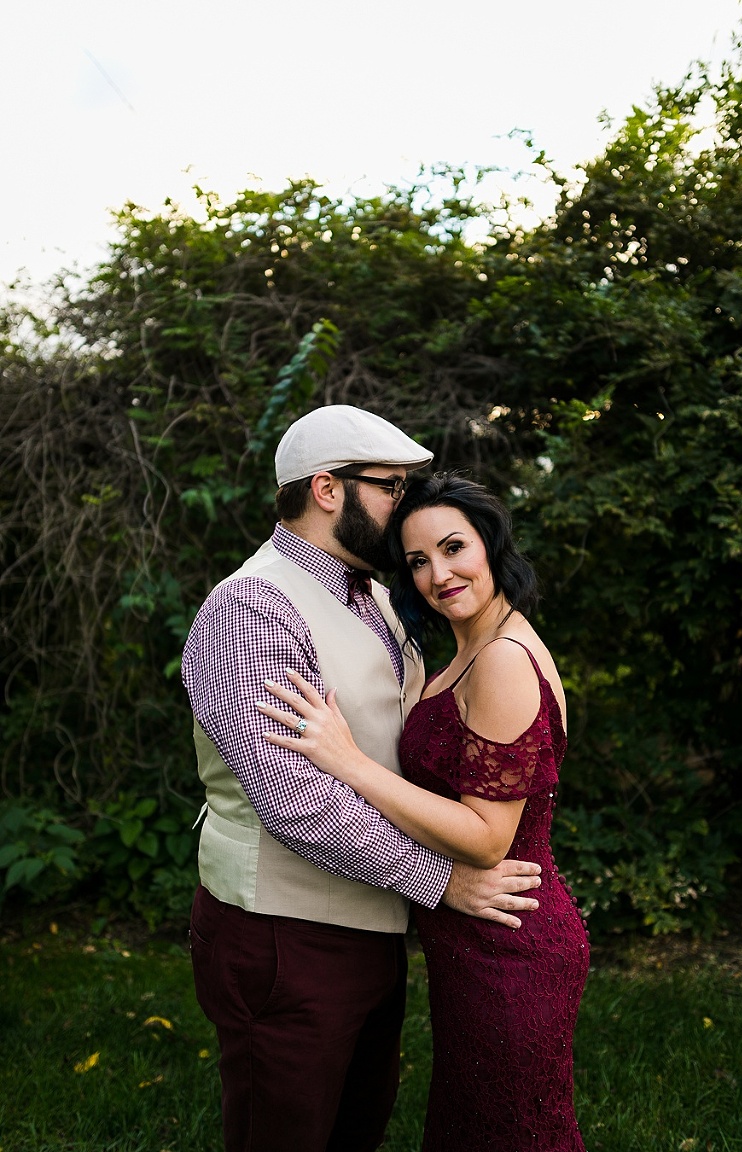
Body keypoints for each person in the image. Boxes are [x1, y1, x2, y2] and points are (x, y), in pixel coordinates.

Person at [181, 408, 542, 1152]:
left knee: (354, 1130)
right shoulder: (250, 610)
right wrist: (443, 881)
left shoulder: (375, 596)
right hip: (284, 936)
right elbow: (297, 804)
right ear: (326, 490)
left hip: (370, 924)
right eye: (390, 487)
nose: (404, 504)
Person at [261, 472, 590, 1152]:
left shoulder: (500, 658)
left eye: (453, 548)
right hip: (472, 941)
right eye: (416, 561)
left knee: (510, 1133)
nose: (438, 574)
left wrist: (347, 761)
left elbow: (487, 840)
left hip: (508, 939)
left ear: (492, 545)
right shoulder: (470, 646)